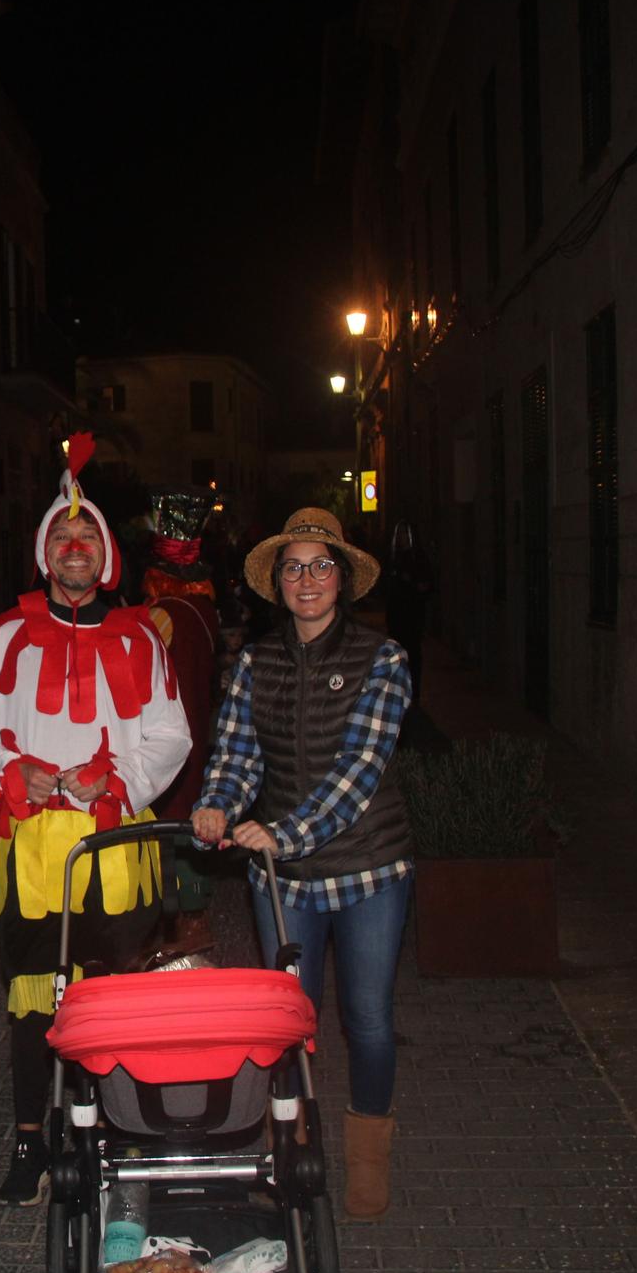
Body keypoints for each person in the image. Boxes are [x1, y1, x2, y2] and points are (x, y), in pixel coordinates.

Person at [0, 435, 191, 1207]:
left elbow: (172, 734)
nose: (75, 546)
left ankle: (110, 1132)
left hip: (115, 843)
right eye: (62, 535)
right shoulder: (3, 634)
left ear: (106, 554)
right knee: (33, 995)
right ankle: (32, 1138)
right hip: (29, 845)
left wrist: (117, 778)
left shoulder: (141, 639)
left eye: (87, 537)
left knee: (111, 995)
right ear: (45, 552)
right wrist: (9, 770)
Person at [190, 507, 415, 1222]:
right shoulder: (257, 661)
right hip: (283, 879)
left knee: (368, 1018)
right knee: (288, 1019)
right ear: (277, 582)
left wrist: (284, 832)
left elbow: (359, 773)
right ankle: (293, 1147)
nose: (307, 579)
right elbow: (236, 754)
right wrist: (217, 805)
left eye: (322, 565)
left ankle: (370, 1159)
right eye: (294, 567)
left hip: (368, 869)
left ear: (343, 580)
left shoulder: (383, 660)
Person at [141, 487, 224, 947]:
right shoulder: (205, 610)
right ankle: (189, 916)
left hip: (169, 734)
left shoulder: (161, 616)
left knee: (172, 821)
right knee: (187, 814)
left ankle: (187, 921)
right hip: (196, 727)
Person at [382, 520, 435, 701]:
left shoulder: (417, 558)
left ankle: (414, 694)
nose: (403, 539)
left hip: (413, 615)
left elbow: (426, 585)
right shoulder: (393, 558)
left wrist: (410, 581)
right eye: (401, 535)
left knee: (413, 654)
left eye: (406, 535)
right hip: (397, 616)